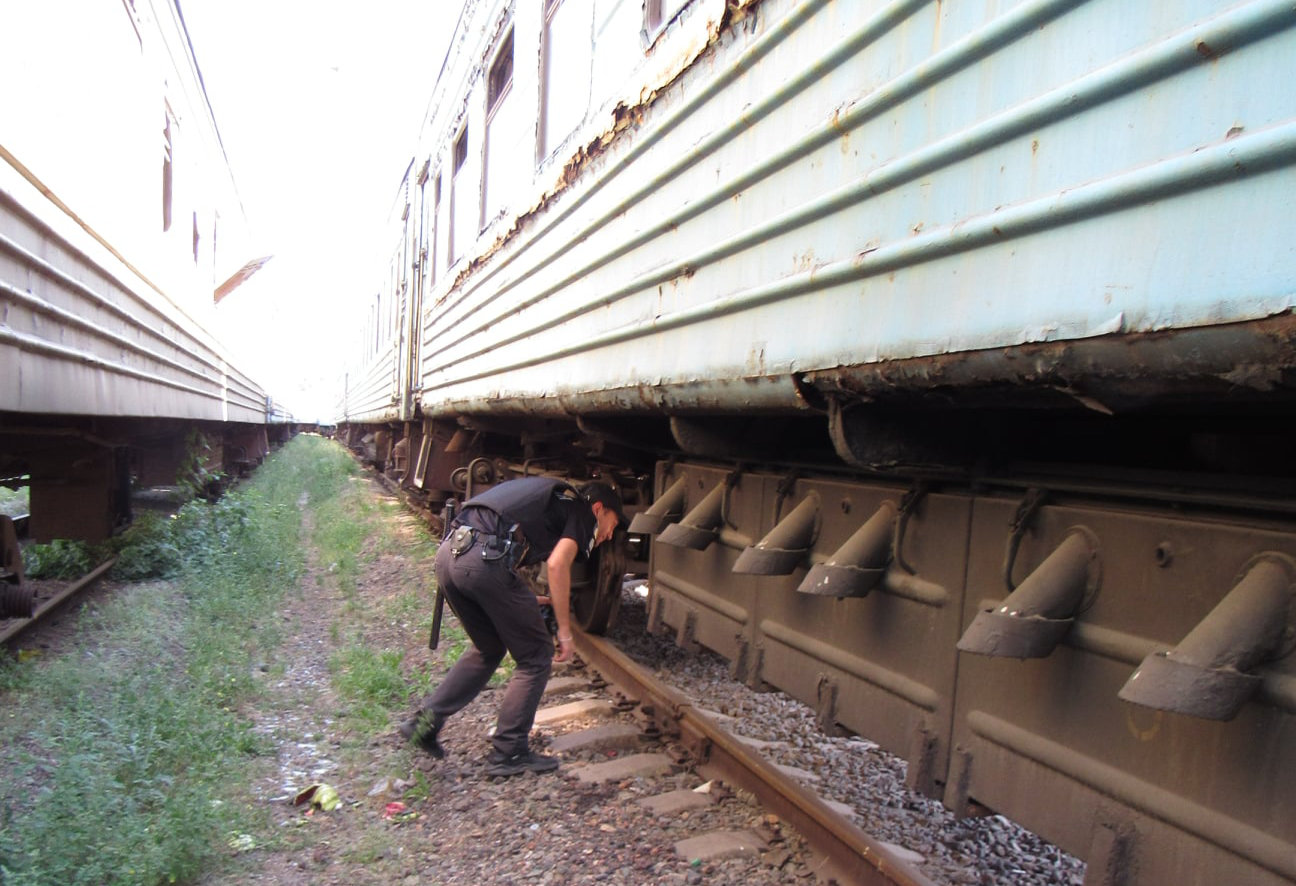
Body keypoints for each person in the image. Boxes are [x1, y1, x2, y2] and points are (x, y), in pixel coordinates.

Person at [400, 475, 625, 776]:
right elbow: (558, 565)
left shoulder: (551, 498)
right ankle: (509, 751)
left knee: (488, 648)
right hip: (482, 561)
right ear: (599, 509)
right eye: (613, 523)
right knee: (535, 655)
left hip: (449, 557)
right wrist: (565, 631)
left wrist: (524, 600)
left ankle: (423, 724)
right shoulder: (580, 510)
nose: (610, 534)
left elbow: (500, 546)